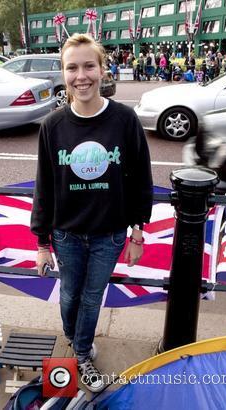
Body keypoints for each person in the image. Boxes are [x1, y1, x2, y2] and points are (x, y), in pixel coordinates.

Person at [30, 33, 153, 393]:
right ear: (63, 74)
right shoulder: (52, 126)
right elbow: (45, 186)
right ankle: (77, 336)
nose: (81, 76)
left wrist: (136, 233)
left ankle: (81, 352)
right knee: (69, 295)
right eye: (72, 68)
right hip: (66, 234)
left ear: (102, 69)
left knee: (90, 296)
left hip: (110, 234)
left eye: (88, 66)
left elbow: (140, 180)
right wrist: (41, 242)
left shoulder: (124, 120)